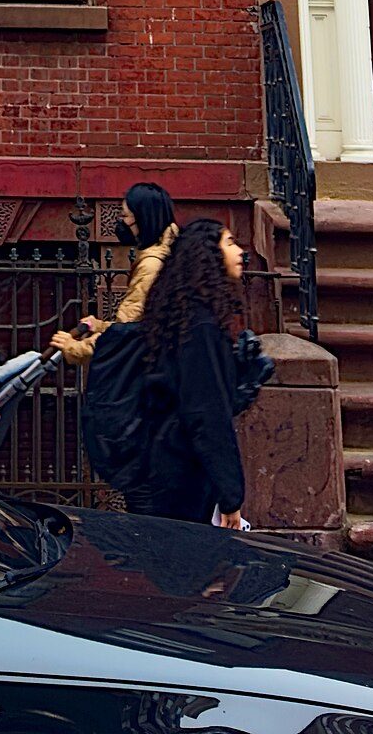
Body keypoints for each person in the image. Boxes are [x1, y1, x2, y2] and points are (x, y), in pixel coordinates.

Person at [127, 217, 248, 528]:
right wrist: (230, 497)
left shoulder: (182, 319)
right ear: (209, 256)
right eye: (230, 243)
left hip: (161, 468)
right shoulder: (201, 327)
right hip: (181, 479)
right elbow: (207, 413)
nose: (240, 252)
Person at [53, 182, 177, 364]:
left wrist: (73, 348)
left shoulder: (151, 267)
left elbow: (125, 335)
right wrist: (101, 326)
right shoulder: (168, 255)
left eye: (125, 215)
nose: (122, 222)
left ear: (142, 219)